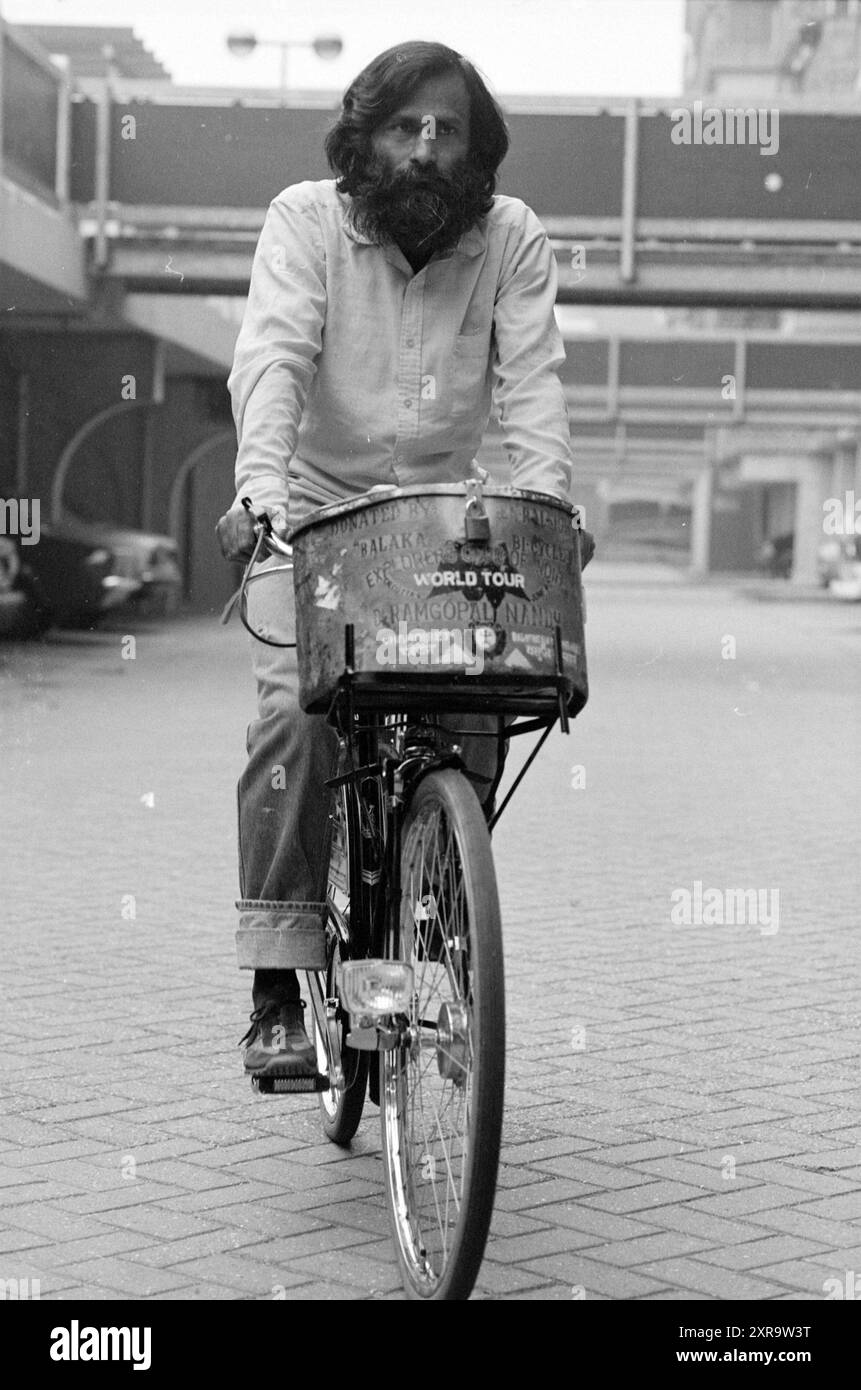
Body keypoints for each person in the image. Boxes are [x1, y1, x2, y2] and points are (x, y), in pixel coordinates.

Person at [217, 40, 584, 1081]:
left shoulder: (509, 238)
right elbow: (274, 360)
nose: (426, 148)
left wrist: (551, 508)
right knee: (298, 715)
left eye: (447, 129)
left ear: (476, 147)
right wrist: (259, 492)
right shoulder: (306, 221)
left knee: (482, 689)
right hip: (313, 513)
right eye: (404, 126)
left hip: (440, 517)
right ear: (364, 138)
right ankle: (279, 986)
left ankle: (439, 908)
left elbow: (535, 387)